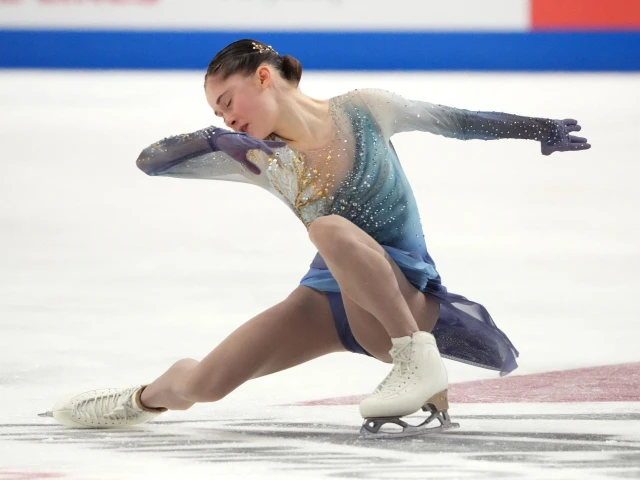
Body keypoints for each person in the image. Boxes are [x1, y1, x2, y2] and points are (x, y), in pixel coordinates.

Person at [40, 39, 590, 437]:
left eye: (227, 103)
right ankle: (137, 400)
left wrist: (537, 128)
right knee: (206, 384)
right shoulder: (261, 157)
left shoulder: (365, 109)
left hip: (402, 300)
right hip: (326, 300)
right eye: (216, 114)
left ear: (263, 76)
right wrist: (211, 140)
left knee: (327, 227)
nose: (226, 119)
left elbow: (457, 121)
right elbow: (150, 162)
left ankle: (415, 358)